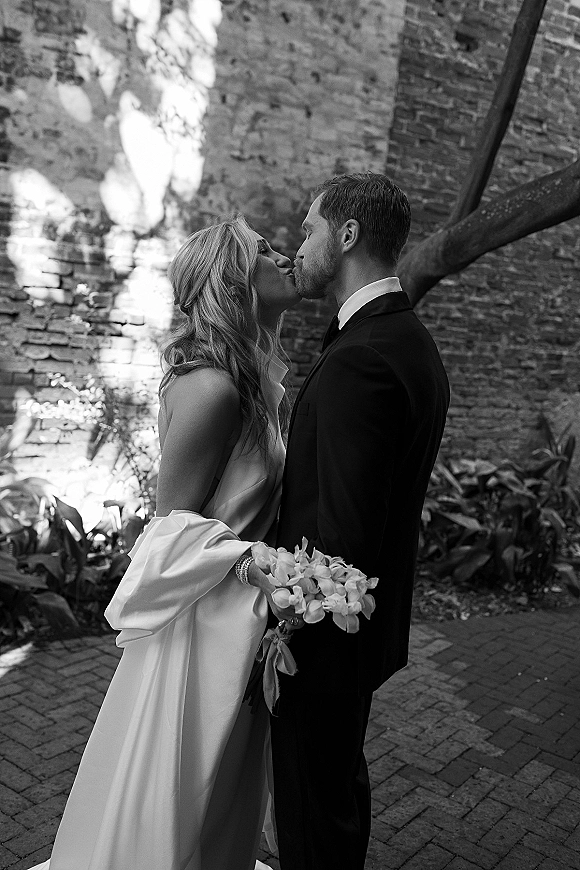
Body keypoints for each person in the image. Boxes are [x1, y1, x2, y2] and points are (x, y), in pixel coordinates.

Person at [27, 216, 300, 870]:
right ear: (234, 280)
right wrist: (254, 559)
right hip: (202, 630)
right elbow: (166, 536)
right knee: (183, 799)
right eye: (265, 249)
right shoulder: (212, 389)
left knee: (220, 798)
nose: (284, 253)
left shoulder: (253, 381)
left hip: (241, 619)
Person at [269, 173, 450, 870]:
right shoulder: (408, 342)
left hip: (324, 644)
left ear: (346, 236)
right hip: (357, 639)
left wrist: (284, 628)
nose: (300, 245)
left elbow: (339, 535)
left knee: (315, 816)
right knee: (335, 795)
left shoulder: (363, 361)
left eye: (310, 229)